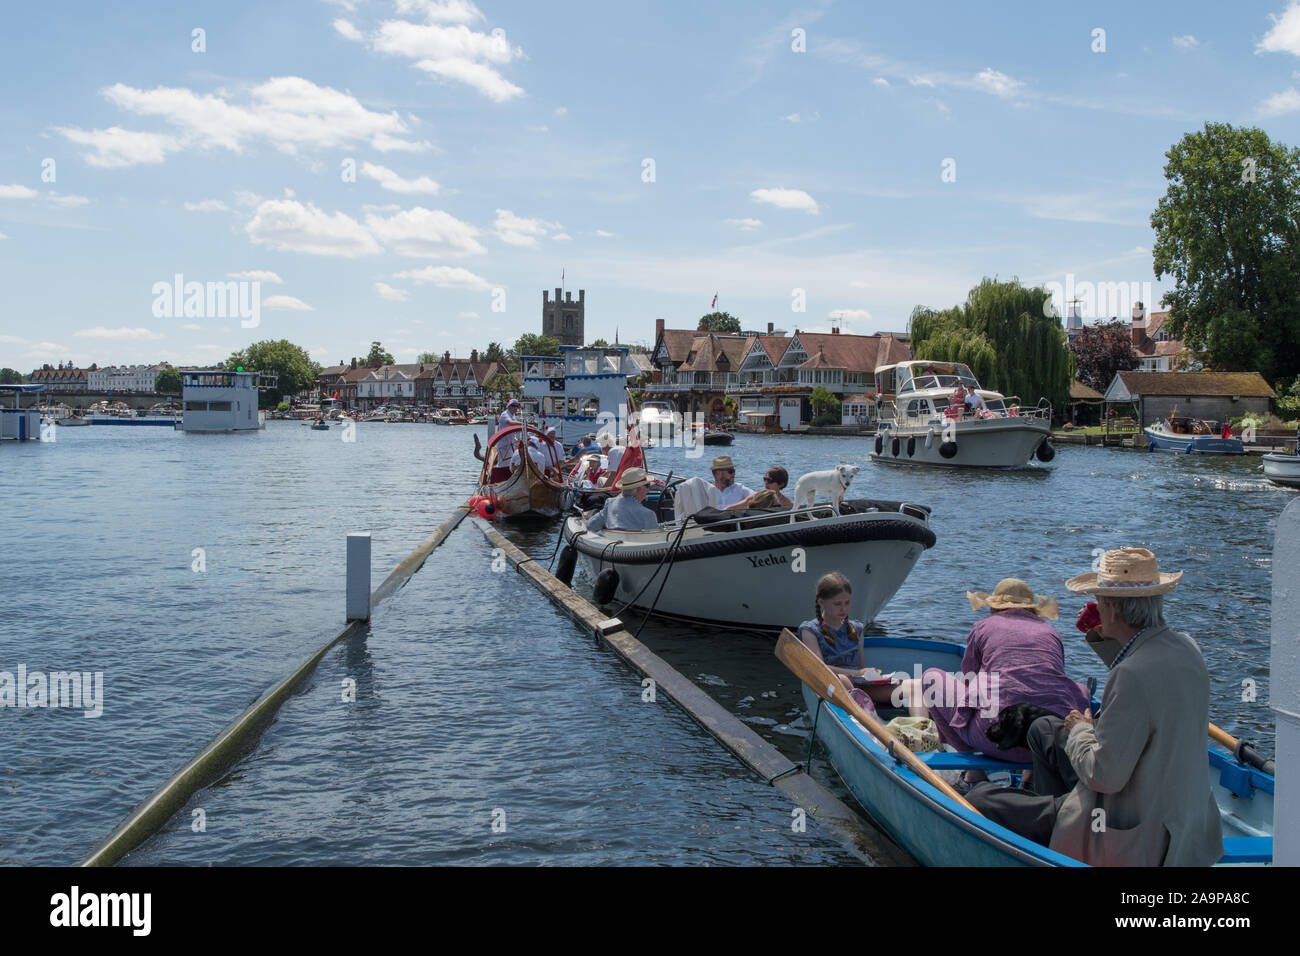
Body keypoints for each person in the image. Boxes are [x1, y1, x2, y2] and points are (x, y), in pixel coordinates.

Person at [966, 548, 1224, 866]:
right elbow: (1142, 670)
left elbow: (1105, 776)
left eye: (1101, 601)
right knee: (1042, 728)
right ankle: (1054, 816)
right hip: (1176, 813)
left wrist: (1081, 732)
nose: (1097, 608)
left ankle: (1059, 827)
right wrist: (1099, 638)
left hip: (1130, 827)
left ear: (1113, 609)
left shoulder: (1130, 676)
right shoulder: (1187, 647)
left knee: (979, 799)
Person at [893, 579, 1090, 786]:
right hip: (1051, 740)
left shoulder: (983, 627)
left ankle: (975, 772)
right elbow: (1051, 682)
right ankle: (1030, 775)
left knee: (931, 678)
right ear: (1033, 609)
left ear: (994, 607)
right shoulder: (1050, 632)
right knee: (1070, 691)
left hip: (994, 739)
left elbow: (969, 678)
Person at [797, 573, 889, 707]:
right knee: (844, 680)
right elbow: (819, 668)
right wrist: (857, 673)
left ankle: (923, 726)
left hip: (862, 686)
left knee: (915, 685)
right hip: (834, 685)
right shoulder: (810, 630)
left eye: (847, 603)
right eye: (837, 604)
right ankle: (871, 720)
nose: (843, 608)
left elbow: (861, 666)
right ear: (821, 602)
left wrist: (870, 675)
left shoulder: (857, 628)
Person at [584, 467, 659, 532]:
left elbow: (590, 526)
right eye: (647, 486)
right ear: (639, 489)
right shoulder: (648, 514)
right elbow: (656, 541)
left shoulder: (610, 503)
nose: (648, 490)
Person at [724, 466, 792, 510]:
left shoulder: (788, 503)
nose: (766, 482)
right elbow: (729, 508)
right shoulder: (756, 498)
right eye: (765, 479)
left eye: (770, 480)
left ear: (781, 484)